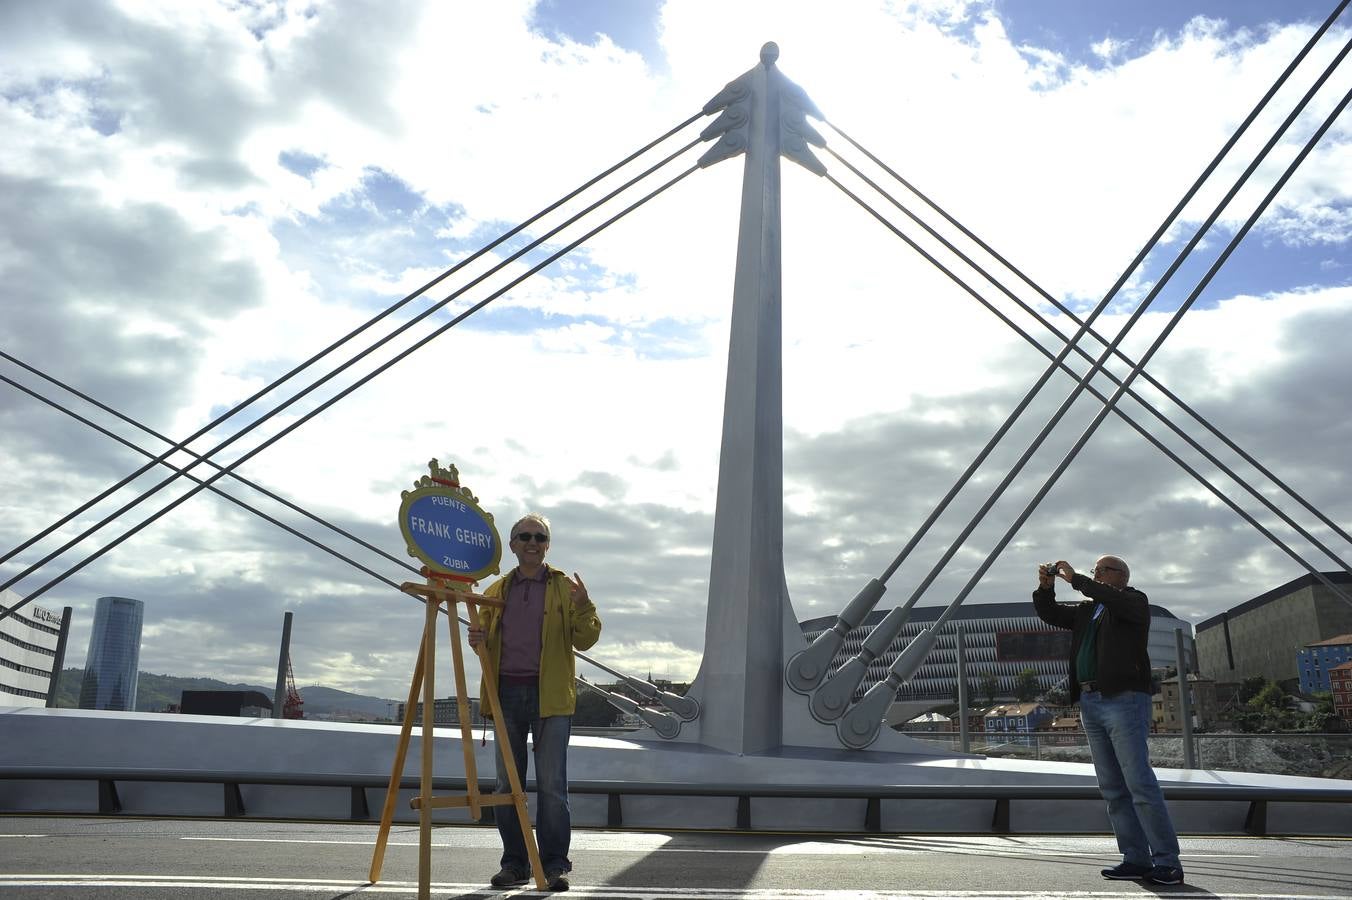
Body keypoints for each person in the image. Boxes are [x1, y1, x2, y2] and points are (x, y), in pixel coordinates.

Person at [468, 513, 601, 893]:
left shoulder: (565, 588)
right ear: (512, 544)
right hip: (505, 694)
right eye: (525, 536)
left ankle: (554, 865)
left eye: (540, 537)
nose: (532, 542)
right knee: (505, 786)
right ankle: (515, 865)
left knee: (553, 786)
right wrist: (477, 640)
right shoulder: (495, 590)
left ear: (547, 545)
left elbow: (585, 640)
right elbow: (485, 644)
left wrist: (585, 606)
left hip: (551, 698)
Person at [1034, 555, 1184, 886]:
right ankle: (1136, 858)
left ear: (1121, 576)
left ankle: (1167, 862)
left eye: (1102, 570)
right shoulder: (1088, 611)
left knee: (1139, 782)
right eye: (1095, 571)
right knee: (1112, 787)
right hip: (1091, 700)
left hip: (1123, 699)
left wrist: (1077, 579)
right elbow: (1051, 613)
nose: (1096, 575)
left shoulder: (1133, 601)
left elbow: (1109, 597)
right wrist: (1045, 588)